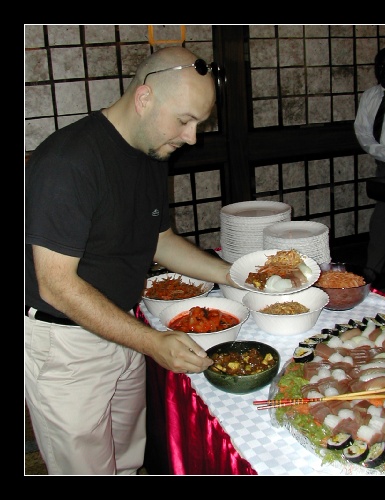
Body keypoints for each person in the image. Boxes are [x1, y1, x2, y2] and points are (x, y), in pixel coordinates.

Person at [25, 46, 237, 475]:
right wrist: (152, 342)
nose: (192, 138)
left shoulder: (150, 150)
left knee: (127, 461)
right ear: (144, 98)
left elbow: (159, 241)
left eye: (198, 124)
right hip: (66, 344)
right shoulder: (68, 162)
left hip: (121, 325)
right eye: (185, 120)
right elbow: (57, 286)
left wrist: (233, 275)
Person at [354, 46, 385, 281]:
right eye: (380, 66)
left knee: (383, 217)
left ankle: (372, 270)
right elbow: (363, 134)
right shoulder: (370, 96)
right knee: (383, 218)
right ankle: (372, 270)